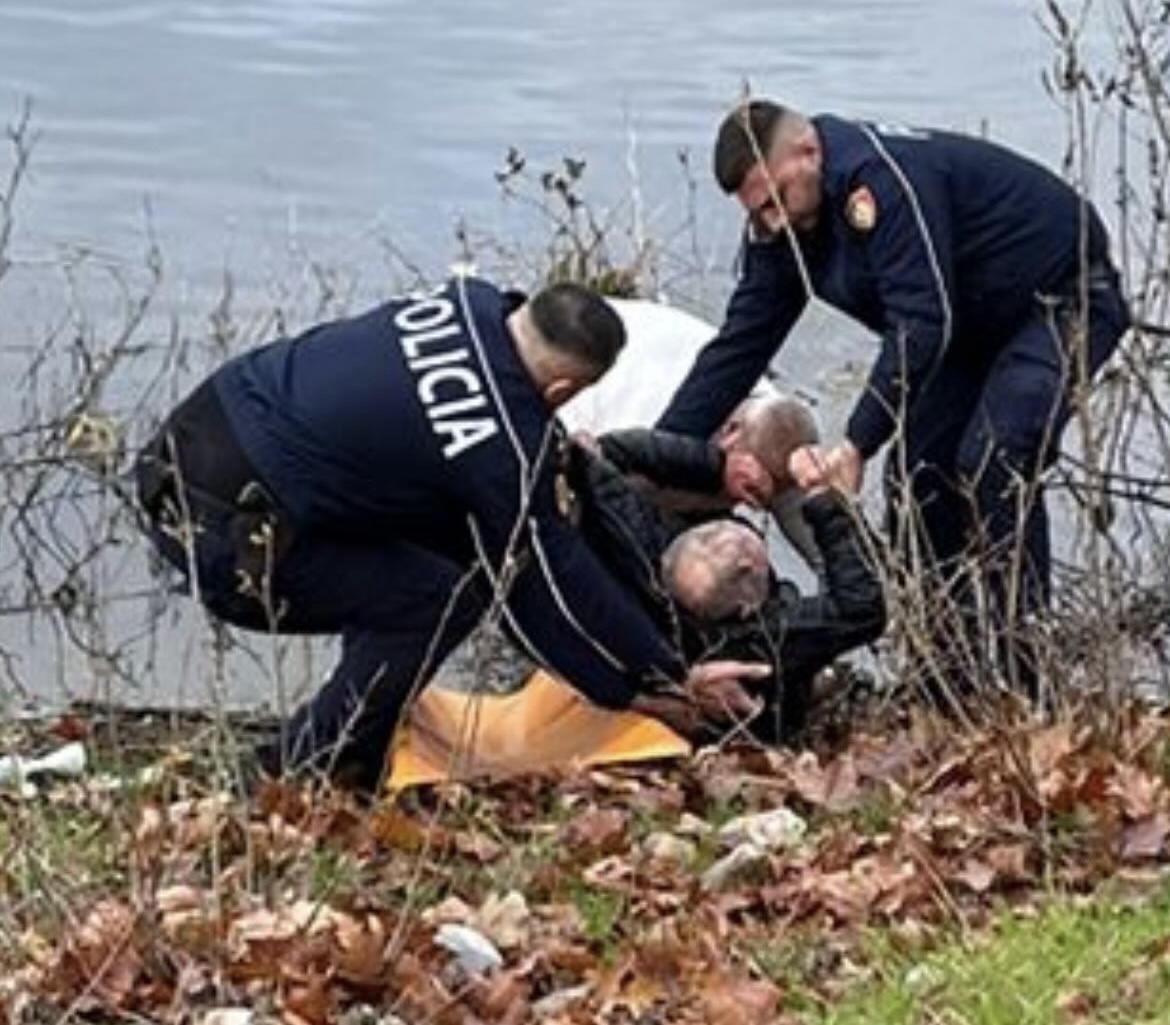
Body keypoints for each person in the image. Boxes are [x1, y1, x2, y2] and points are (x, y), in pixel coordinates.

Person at [134, 275, 768, 794]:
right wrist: (660, 678)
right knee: (437, 596)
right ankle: (305, 766)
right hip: (228, 537)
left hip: (178, 452)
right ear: (563, 389)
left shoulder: (470, 300)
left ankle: (371, 727)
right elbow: (548, 583)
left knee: (442, 529)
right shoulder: (498, 449)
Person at [657, 98, 1131, 692]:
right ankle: (946, 679)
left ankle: (1024, 677)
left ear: (809, 153)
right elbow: (739, 349)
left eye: (777, 198)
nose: (771, 222)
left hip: (1062, 303)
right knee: (916, 479)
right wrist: (652, 454)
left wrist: (855, 442)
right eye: (758, 211)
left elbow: (922, 324)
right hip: (972, 329)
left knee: (994, 459)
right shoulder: (783, 223)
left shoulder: (879, 184)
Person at [570, 396, 886, 741]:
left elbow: (604, 452)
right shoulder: (766, 642)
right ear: (749, 608)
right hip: (750, 726)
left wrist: (716, 466)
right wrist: (826, 503)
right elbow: (862, 607)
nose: (731, 520)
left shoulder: (634, 545)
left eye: (714, 531)